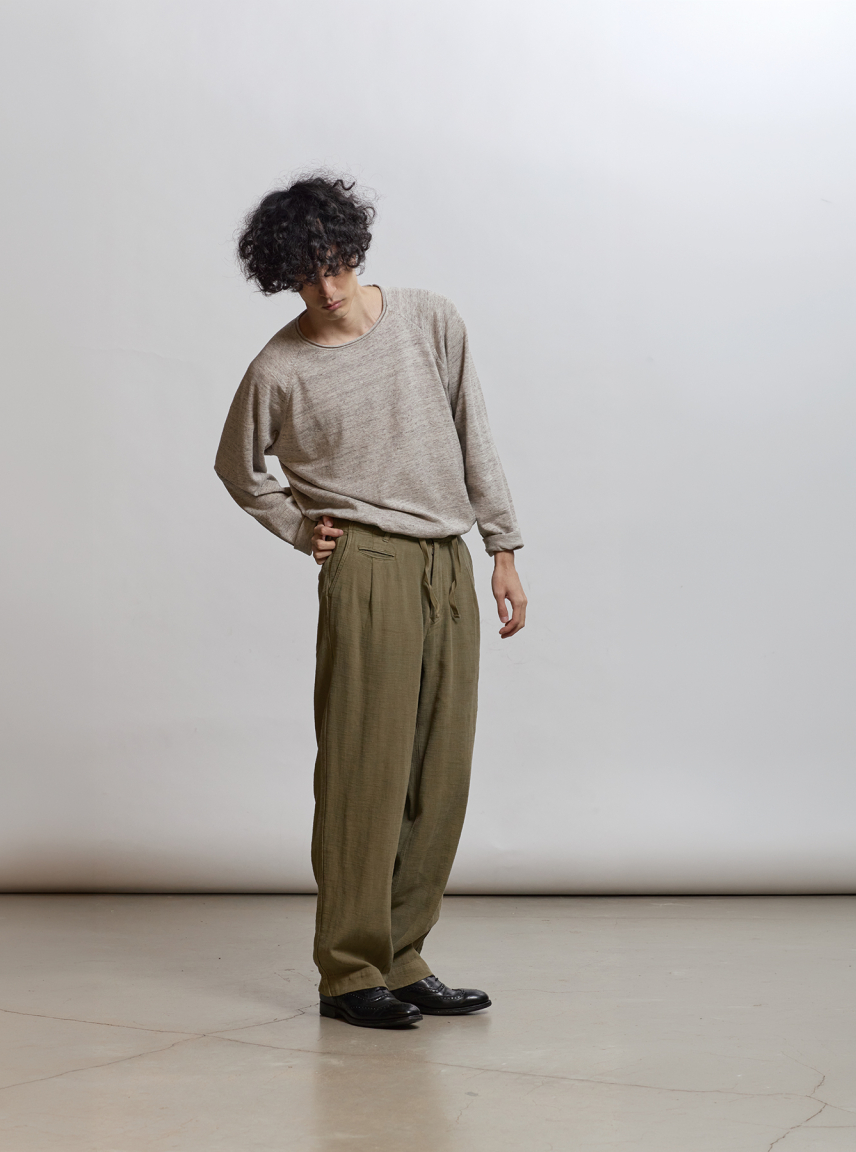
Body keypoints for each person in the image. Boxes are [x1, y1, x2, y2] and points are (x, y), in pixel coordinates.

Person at [215, 173, 526, 1029]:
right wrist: (297, 527)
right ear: (284, 277)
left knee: (440, 773)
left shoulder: (430, 319)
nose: (327, 287)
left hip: (448, 560)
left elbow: (474, 431)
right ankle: (350, 973)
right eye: (306, 275)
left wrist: (502, 546)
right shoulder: (279, 369)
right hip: (367, 566)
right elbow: (238, 466)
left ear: (356, 249)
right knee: (365, 773)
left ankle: (402, 954)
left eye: (337, 264)